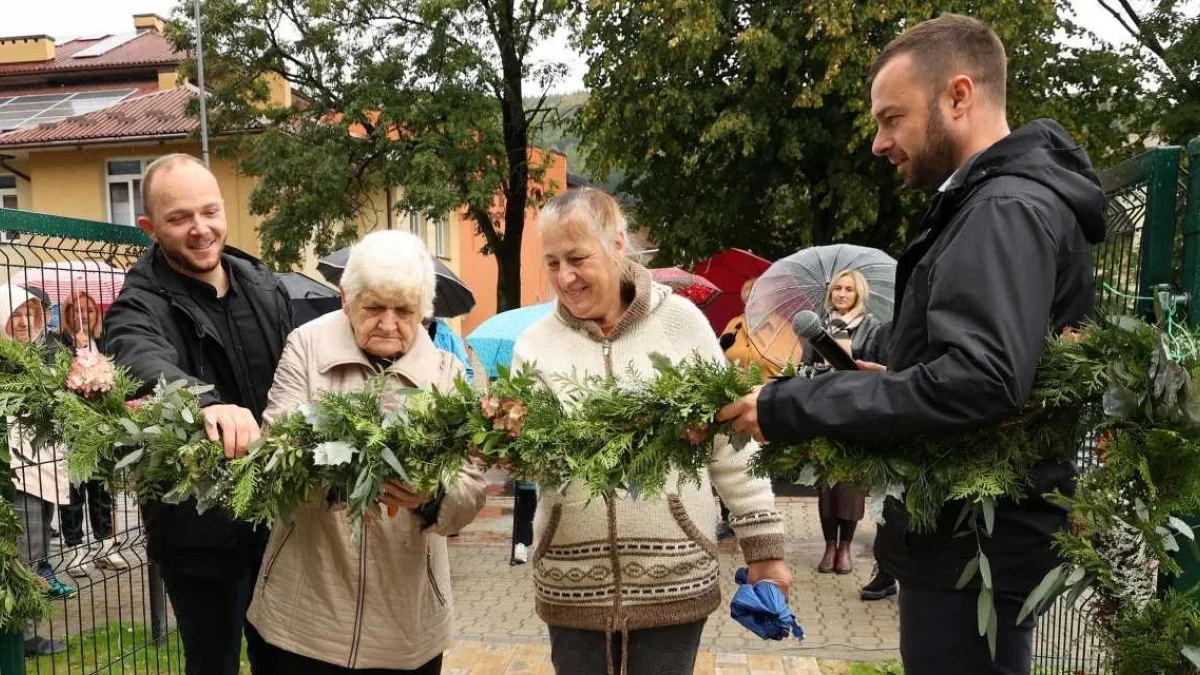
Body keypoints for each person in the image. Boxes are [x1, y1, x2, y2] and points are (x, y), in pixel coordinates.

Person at [718, 14, 1104, 675]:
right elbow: (979, 356)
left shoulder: (1002, 210)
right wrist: (892, 362)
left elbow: (980, 379)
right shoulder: (987, 204)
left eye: (891, 118)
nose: (878, 142)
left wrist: (793, 406)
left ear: (959, 95)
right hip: (964, 540)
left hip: (972, 545)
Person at [512, 187, 793, 675]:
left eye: (578, 258)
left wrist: (763, 548)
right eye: (552, 263)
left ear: (618, 246)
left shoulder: (682, 324)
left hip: (676, 572)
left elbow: (731, 442)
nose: (565, 277)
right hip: (570, 579)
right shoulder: (534, 345)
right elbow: (530, 460)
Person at [248, 231, 486, 674]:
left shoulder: (446, 372)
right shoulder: (306, 345)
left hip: (405, 624)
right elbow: (277, 448)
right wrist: (355, 476)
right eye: (374, 307)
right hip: (303, 617)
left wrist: (432, 497)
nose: (389, 323)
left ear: (424, 311)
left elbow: (471, 485)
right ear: (346, 298)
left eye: (405, 311)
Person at [104, 153, 295, 675]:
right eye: (178, 218)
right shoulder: (138, 305)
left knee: (286, 660)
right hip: (199, 536)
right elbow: (140, 359)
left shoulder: (263, 285)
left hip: (280, 522)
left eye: (209, 211)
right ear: (148, 228)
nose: (200, 229)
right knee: (213, 665)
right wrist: (205, 405)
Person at [1, 284, 73, 656]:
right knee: (23, 554)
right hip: (17, 470)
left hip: (45, 468)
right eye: (16, 315)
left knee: (37, 549)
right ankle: (23, 636)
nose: (25, 322)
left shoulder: (48, 352)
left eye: (32, 315)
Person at [799, 270, 881, 577]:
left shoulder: (872, 328)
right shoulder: (817, 327)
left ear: (858, 294)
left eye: (848, 289)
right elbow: (803, 368)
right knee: (827, 482)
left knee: (850, 484)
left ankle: (845, 546)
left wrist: (849, 371)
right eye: (837, 289)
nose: (841, 294)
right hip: (824, 411)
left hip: (858, 413)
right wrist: (823, 374)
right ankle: (828, 546)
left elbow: (878, 368)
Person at [55, 290, 128, 574]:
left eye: (88, 310)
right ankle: (75, 550)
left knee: (102, 488)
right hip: (72, 428)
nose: (82, 315)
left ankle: (106, 546)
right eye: (76, 311)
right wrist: (76, 351)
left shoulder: (104, 341)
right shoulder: (59, 343)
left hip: (101, 425)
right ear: (68, 315)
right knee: (74, 490)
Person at [718, 277, 781, 378]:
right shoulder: (735, 323)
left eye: (757, 297)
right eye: (747, 299)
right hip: (731, 387)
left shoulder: (782, 328)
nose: (752, 302)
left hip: (766, 389)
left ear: (771, 299)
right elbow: (719, 352)